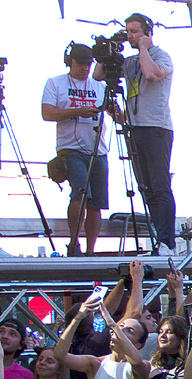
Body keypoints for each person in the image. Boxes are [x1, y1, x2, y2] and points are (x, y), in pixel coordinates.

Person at [94, 13, 175, 254]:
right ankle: (158, 239)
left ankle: (167, 241)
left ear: (148, 32)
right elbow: (98, 75)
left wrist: (143, 46)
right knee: (146, 186)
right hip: (135, 127)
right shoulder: (129, 62)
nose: (130, 36)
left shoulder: (161, 56)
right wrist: (110, 46)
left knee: (160, 185)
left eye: (135, 32)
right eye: (128, 32)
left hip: (156, 128)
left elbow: (151, 74)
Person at [41, 43, 109, 256]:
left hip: (98, 150)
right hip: (70, 148)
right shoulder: (55, 83)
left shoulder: (99, 85)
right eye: (80, 64)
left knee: (96, 203)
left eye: (88, 64)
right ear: (70, 62)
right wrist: (79, 111)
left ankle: (90, 250)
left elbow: (115, 114)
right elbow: (47, 113)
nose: (85, 68)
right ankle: (73, 243)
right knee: (80, 193)